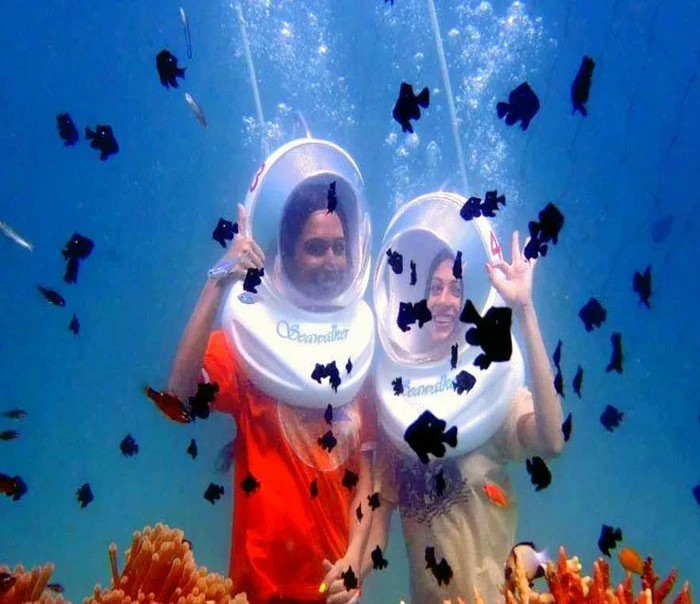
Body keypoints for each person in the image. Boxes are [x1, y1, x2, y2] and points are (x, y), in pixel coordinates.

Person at [168, 143, 377, 604]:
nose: (331, 261)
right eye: (316, 248)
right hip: (257, 593)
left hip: (335, 594)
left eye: (339, 247)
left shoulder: (361, 353)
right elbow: (180, 394)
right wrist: (217, 279)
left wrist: (356, 567)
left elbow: (369, 477)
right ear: (288, 251)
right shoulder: (251, 341)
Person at [360, 193, 564, 604]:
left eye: (455, 288)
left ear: (466, 299)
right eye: (435, 287)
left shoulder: (488, 390)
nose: (445, 299)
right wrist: (353, 571)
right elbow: (379, 521)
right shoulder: (396, 408)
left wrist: (524, 311)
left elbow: (551, 440)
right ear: (421, 296)